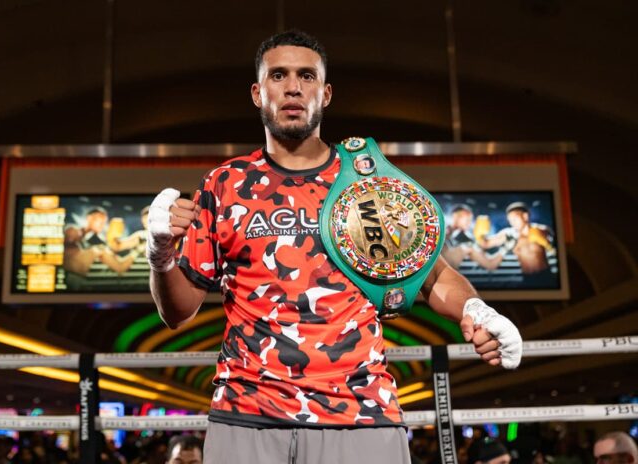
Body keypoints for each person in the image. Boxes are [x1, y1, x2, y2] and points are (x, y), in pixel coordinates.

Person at [147, 30, 522, 463]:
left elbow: (432, 274)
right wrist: (161, 254)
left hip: (361, 414)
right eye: (278, 75)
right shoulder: (224, 185)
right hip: (247, 415)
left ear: (325, 94)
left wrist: (477, 311)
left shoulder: (368, 183)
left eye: (306, 76)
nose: (292, 87)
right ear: (257, 92)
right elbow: (177, 312)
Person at [475, 202, 555, 275]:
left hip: (546, 276)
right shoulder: (509, 234)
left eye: (514, 219)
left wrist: (548, 243)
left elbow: (559, 248)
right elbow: (485, 244)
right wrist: (480, 235)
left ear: (525, 216)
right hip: (527, 280)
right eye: (510, 220)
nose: (512, 222)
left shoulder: (542, 230)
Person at [63, 207, 141, 276]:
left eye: (104, 222)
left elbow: (119, 267)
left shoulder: (99, 243)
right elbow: (70, 239)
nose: (102, 225)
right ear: (89, 218)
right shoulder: (74, 231)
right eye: (100, 221)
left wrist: (136, 250)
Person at [442, 204, 505, 270]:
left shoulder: (468, 242)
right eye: (467, 219)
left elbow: (490, 265)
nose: (469, 223)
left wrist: (504, 250)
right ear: (455, 216)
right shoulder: (439, 231)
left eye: (470, 220)